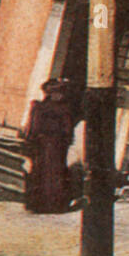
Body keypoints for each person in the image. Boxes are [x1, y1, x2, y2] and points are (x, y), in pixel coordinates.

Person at [21, 78, 76, 214]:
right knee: (42, 173)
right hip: (45, 144)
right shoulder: (41, 107)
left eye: (61, 93)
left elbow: (67, 129)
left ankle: (50, 204)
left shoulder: (60, 108)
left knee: (53, 174)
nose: (59, 96)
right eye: (56, 92)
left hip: (55, 145)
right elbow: (33, 126)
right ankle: (40, 204)